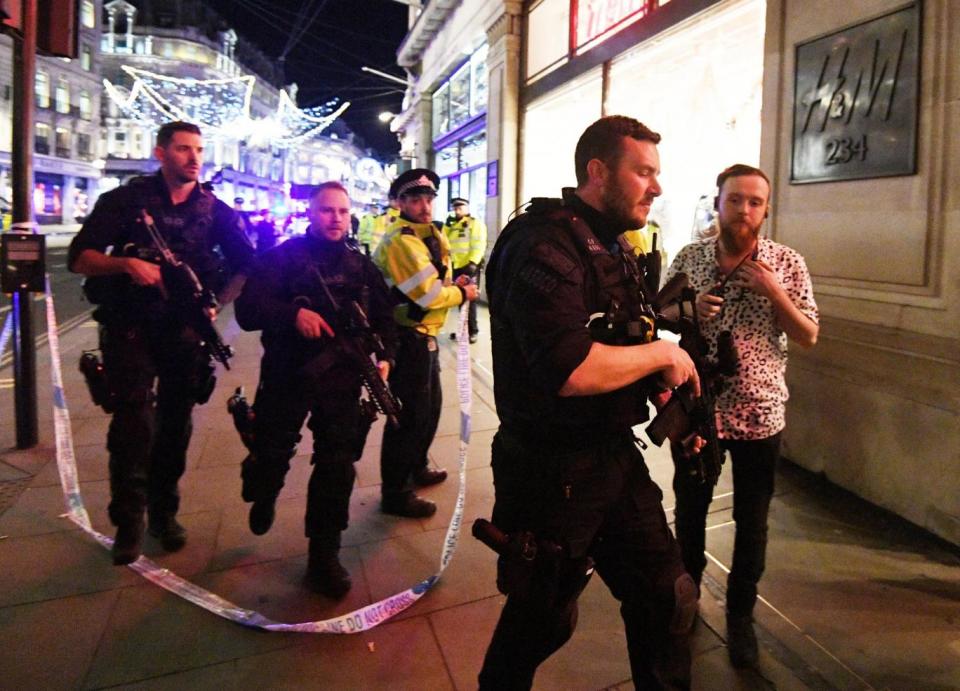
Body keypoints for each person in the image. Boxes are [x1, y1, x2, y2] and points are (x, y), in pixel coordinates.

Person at [478, 115, 703, 689]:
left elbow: (623, 336)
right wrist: (662, 358)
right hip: (550, 473)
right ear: (598, 171)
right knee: (541, 619)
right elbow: (570, 369)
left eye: (657, 174)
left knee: (666, 599)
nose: (656, 187)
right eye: (643, 172)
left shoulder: (613, 246)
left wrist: (665, 397)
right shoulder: (540, 244)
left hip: (612, 459)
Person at [68, 121, 255, 565]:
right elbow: (81, 257)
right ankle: (129, 522)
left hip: (184, 332)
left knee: (175, 425)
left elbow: (247, 264)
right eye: (183, 149)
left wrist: (215, 304)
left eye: (199, 150)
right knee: (133, 423)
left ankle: (164, 514)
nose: (194, 158)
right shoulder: (126, 202)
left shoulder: (214, 211)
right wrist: (126, 264)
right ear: (161, 153)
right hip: (130, 327)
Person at [665, 163, 818, 668]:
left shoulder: (786, 263)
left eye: (755, 202)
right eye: (736, 200)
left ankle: (741, 616)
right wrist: (687, 312)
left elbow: (809, 334)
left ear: (766, 208)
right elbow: (658, 315)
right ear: (718, 202)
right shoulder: (691, 257)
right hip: (698, 410)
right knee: (689, 512)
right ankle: (685, 604)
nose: (745, 210)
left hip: (760, 412)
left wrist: (774, 292)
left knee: (752, 521)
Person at [235, 181, 396, 599]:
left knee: (338, 464)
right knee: (272, 452)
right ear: (311, 213)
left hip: (341, 380)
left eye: (342, 211)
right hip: (288, 375)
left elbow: (385, 318)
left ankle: (323, 553)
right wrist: (294, 314)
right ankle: (265, 488)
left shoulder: (361, 267)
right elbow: (247, 310)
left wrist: (386, 358)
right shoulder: (283, 258)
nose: (336, 218)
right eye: (327, 210)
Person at [374, 169, 479, 518]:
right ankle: (396, 493)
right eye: (415, 199)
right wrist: (462, 292)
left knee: (430, 410)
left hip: (426, 336)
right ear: (401, 203)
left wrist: (456, 281)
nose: (424, 205)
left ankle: (416, 466)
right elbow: (430, 293)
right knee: (408, 416)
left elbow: (437, 279)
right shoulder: (401, 240)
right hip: (407, 339)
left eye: (428, 199)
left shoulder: (431, 233)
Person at [443, 197, 487, 343]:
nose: (457, 210)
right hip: (455, 266)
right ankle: (463, 331)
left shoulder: (474, 224)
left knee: (470, 300)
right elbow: (444, 242)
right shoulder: (452, 224)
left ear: (467, 208)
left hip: (469, 267)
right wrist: (448, 227)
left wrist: (473, 262)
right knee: (460, 299)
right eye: (455, 208)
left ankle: (472, 331)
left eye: (460, 207)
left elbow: (479, 243)